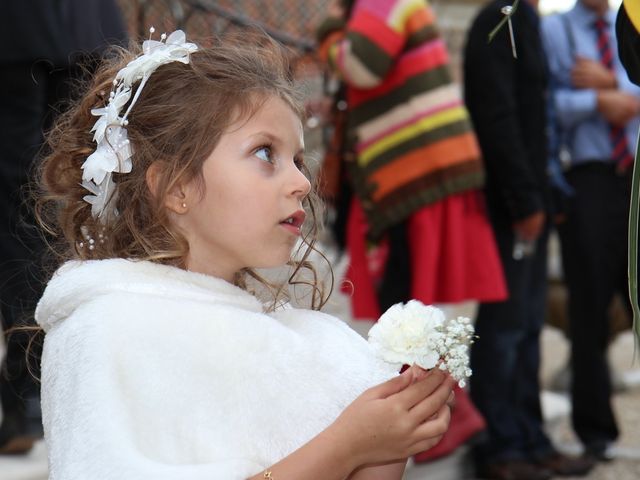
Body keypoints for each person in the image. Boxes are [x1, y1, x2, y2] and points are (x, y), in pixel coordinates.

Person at [33, 29, 455, 479]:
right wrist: (346, 446)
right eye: (265, 152)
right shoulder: (108, 330)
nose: (302, 182)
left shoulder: (311, 345)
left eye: (297, 159)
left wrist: (393, 436)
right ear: (176, 187)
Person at [315, 0, 507, 462]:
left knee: (406, 302)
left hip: (414, 173)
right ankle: (433, 423)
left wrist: (328, 29)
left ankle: (435, 424)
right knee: (411, 302)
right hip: (415, 171)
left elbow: (361, 64)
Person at [464, 1, 597, 479]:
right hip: (510, 205)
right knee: (505, 328)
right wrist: (524, 200)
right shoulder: (496, 22)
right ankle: (499, 448)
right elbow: (496, 119)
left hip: (534, 197)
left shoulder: (525, 21)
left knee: (527, 327)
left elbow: (535, 113)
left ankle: (530, 438)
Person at [0, 0, 126, 454]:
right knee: (62, 200)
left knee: (27, 206)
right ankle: (54, 380)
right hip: (85, 25)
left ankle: (30, 390)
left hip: (17, 32)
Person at [542, 0, 640, 462]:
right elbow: (545, 103)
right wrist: (598, 100)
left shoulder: (630, 23)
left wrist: (610, 82)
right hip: (590, 178)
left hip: (635, 174)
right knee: (588, 308)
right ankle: (595, 435)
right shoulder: (557, 31)